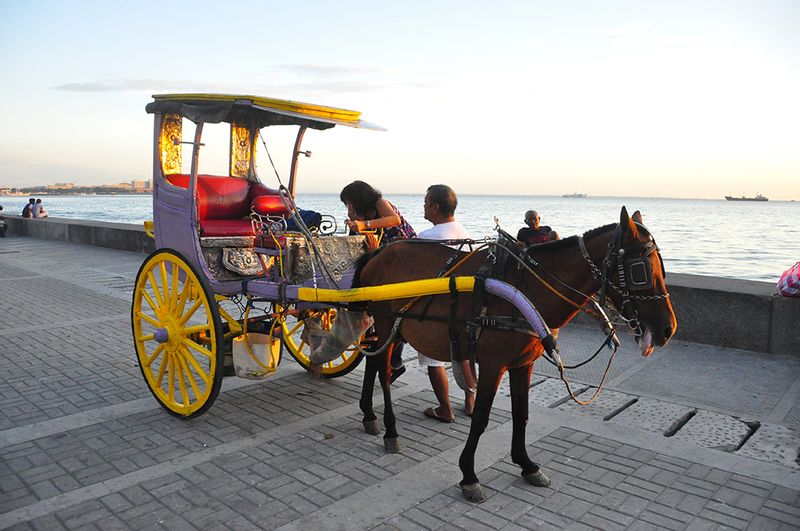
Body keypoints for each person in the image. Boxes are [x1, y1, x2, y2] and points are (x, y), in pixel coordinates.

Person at [340, 180, 416, 381]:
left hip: (403, 254)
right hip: (384, 262)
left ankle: (394, 359)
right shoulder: (359, 217)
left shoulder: (380, 203)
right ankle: (390, 356)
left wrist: (364, 225)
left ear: (358, 198)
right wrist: (354, 224)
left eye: (349, 202)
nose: (348, 207)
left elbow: (394, 220)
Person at [417, 184, 478, 421]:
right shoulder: (467, 235)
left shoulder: (426, 238)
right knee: (464, 354)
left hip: (436, 308)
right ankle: (470, 402)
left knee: (434, 359)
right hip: (464, 307)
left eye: (425, 202)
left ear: (435, 207)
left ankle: (445, 409)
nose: (423, 206)